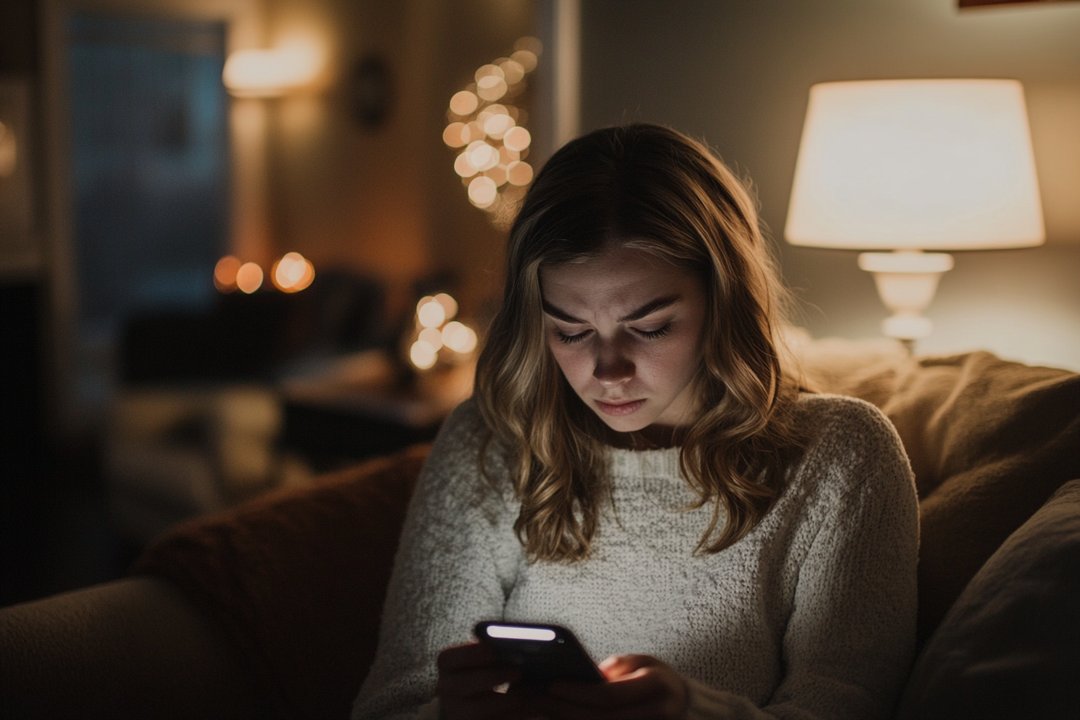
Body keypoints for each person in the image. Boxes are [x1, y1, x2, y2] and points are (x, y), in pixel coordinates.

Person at [352, 124, 918, 719]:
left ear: (725, 302)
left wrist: (692, 712)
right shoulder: (490, 442)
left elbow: (846, 704)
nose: (608, 371)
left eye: (650, 327)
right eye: (571, 331)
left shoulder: (841, 455)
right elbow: (391, 705)